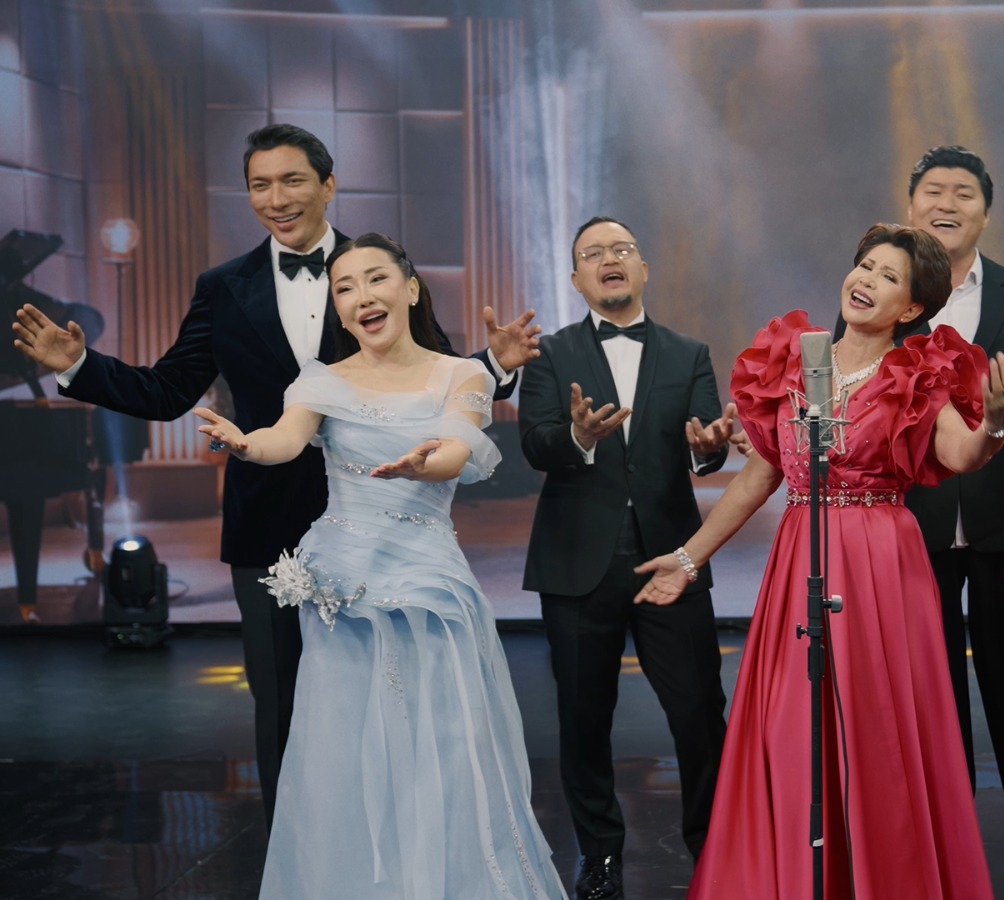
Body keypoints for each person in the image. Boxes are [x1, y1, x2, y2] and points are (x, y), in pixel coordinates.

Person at [9, 124, 539, 825]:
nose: (276, 198)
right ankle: (298, 854)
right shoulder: (223, 288)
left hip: (382, 530)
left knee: (393, 698)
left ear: (328, 185)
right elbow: (167, 389)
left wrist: (495, 367)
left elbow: (431, 372)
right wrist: (78, 366)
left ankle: (393, 843)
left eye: (292, 180)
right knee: (284, 702)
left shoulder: (374, 270)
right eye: (260, 185)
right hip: (268, 528)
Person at [635, 223, 1004, 899]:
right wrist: (687, 558)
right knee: (794, 725)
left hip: (880, 562)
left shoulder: (917, 372)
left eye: (888, 276)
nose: (866, 281)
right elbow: (762, 475)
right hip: (801, 556)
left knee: (877, 730)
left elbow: (961, 454)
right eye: (865, 265)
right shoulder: (796, 361)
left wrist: (995, 425)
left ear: (911, 307)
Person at [194, 233, 565, 898]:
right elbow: (284, 439)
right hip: (341, 590)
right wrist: (246, 445)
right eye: (344, 287)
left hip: (429, 588)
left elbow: (457, 450)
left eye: (375, 279)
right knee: (341, 755)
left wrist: (426, 462)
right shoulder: (321, 380)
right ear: (338, 310)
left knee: (441, 749)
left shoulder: (461, 375)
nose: (362, 296)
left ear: (410, 289)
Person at [519, 216, 735, 900]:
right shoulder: (551, 353)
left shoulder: (688, 352)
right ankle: (601, 855)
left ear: (643, 269)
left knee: (699, 711)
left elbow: (708, 443)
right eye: (593, 253)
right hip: (578, 563)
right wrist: (579, 438)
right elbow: (536, 443)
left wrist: (709, 449)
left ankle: (715, 846)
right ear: (576, 278)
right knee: (584, 718)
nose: (609, 259)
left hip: (672, 557)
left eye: (622, 249)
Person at [893, 145, 1004, 886]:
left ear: (986, 213)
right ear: (911, 207)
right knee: (928, 695)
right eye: (933, 191)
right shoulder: (886, 296)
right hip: (912, 527)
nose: (948, 203)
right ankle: (942, 836)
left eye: (964, 192)